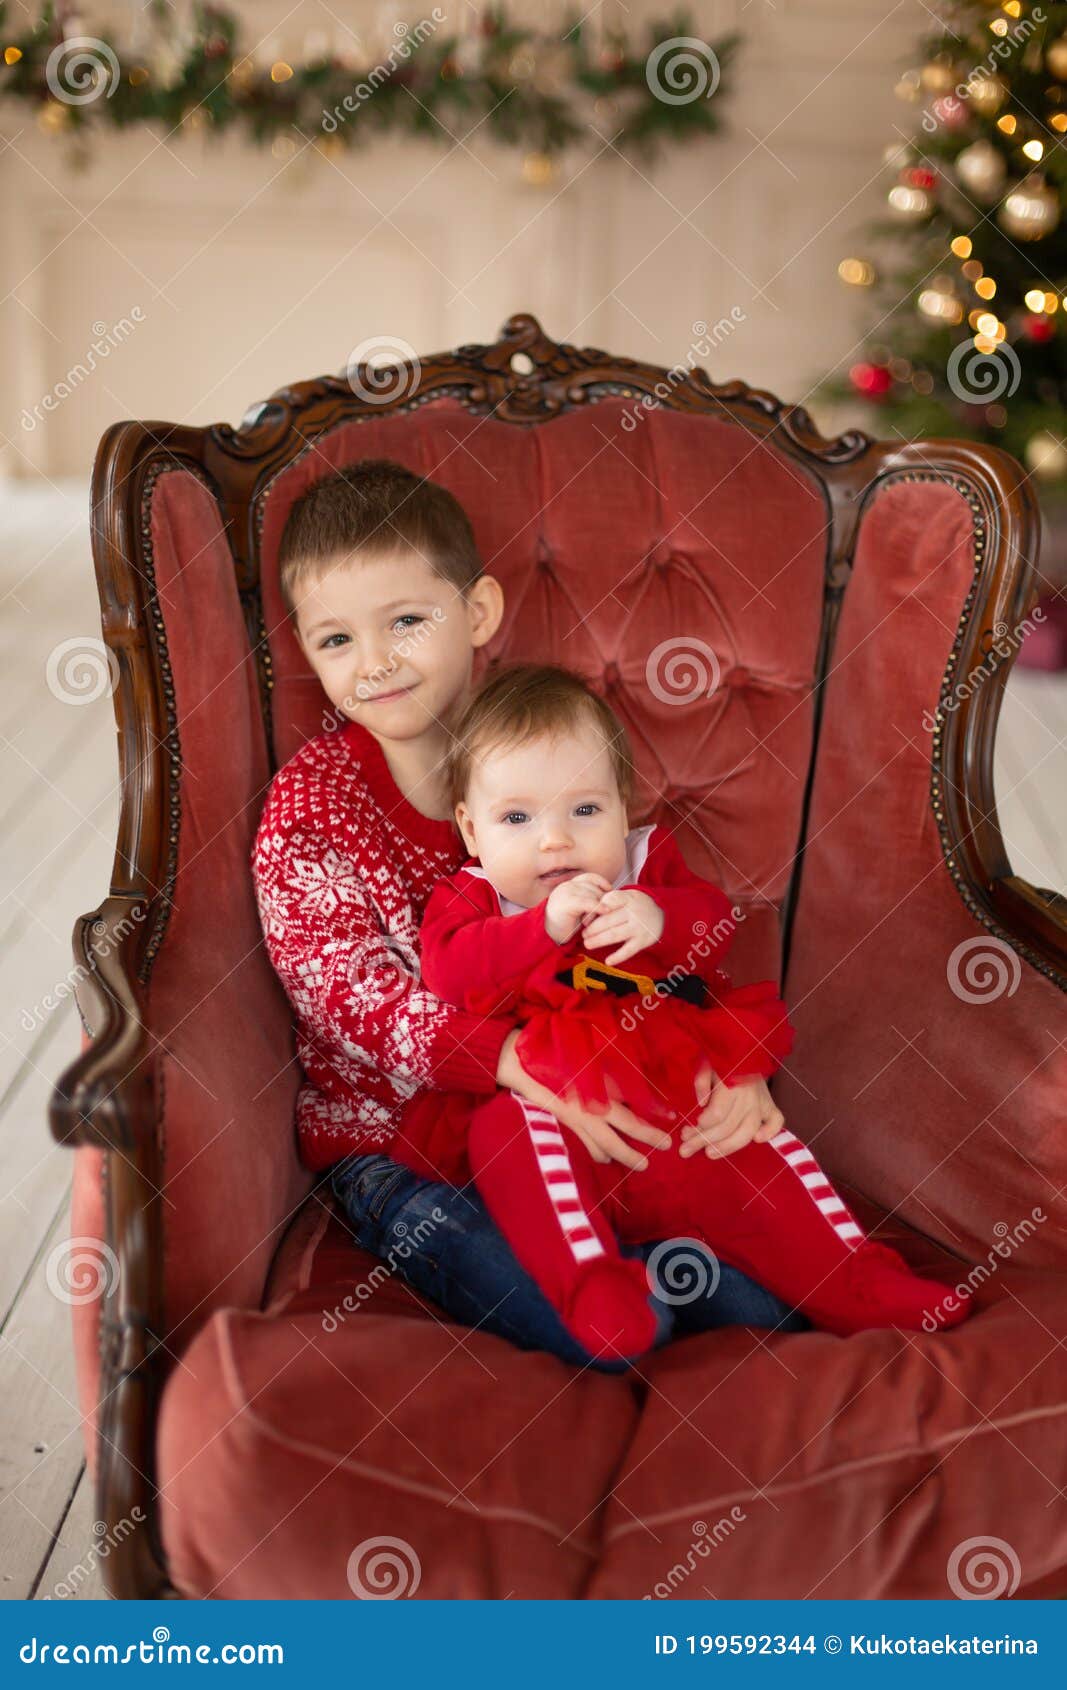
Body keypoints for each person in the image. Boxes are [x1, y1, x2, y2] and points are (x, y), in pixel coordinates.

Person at [251, 456, 812, 1373]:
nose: (376, 663)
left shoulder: (543, 753)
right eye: (336, 640)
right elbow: (345, 998)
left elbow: (647, 926)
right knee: (585, 1327)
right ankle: (629, 1288)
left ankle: (677, 1272)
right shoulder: (313, 805)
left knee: (763, 1300)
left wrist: (729, 1060)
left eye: (405, 621)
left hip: (588, 1102)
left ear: (475, 614)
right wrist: (517, 1065)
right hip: (399, 1146)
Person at [406, 660, 974, 1357]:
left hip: (674, 1106)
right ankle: (595, 1288)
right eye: (516, 818)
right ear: (470, 829)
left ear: (622, 808)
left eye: (584, 811)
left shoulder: (644, 868)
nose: (554, 841)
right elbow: (448, 976)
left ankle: (857, 1281)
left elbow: (713, 931)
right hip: (561, 1115)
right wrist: (540, 927)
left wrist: (659, 918)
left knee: (755, 1152)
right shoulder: (475, 898)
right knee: (504, 1137)